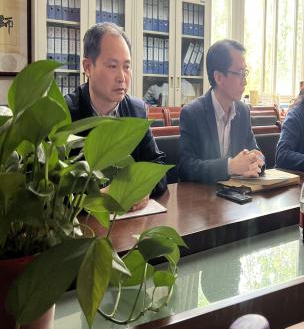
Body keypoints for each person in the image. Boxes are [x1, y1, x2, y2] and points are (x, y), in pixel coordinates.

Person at [65, 22, 167, 211]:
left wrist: (142, 188)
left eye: (127, 67)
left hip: (130, 222)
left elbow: (158, 168)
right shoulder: (66, 113)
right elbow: (49, 189)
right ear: (88, 67)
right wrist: (96, 199)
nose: (122, 77)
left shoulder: (136, 111)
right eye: (112, 66)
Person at [178, 39, 264, 184]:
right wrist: (229, 166)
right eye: (240, 73)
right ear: (219, 77)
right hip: (204, 195)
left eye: (245, 73)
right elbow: (186, 168)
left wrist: (257, 161)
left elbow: (255, 152)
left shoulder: (243, 111)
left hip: (237, 194)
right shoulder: (192, 113)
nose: (245, 82)